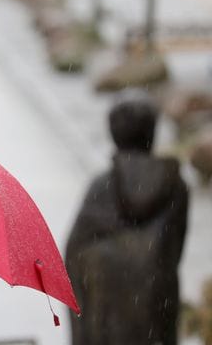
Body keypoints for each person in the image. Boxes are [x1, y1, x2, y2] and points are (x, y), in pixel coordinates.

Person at [65, 90, 188, 345]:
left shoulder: (101, 187)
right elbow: (174, 250)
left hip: (104, 317)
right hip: (155, 311)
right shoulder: (176, 188)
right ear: (152, 132)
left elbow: (74, 254)